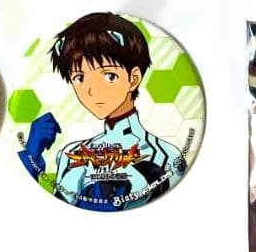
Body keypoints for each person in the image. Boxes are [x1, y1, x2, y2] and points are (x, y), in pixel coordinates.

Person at [18, 12, 186, 211]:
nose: (92, 90)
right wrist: (31, 155)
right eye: (79, 78)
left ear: (133, 78)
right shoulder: (71, 154)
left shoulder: (166, 156)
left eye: (109, 76)